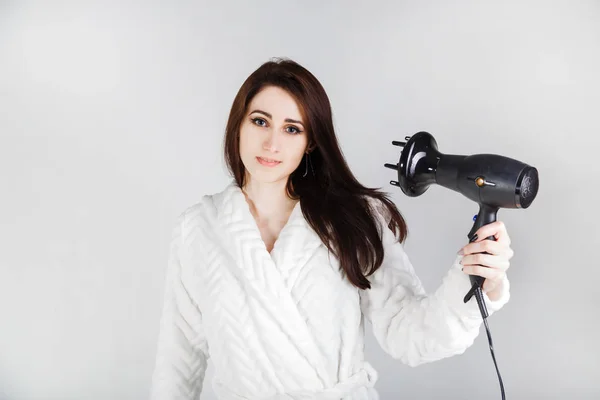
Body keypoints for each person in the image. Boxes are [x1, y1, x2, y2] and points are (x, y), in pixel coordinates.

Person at [149, 58, 513, 400]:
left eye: (292, 129)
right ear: (238, 126)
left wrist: (479, 278)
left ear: (310, 143)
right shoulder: (198, 229)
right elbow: (178, 359)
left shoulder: (353, 219)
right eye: (260, 121)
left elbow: (411, 333)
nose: (272, 143)